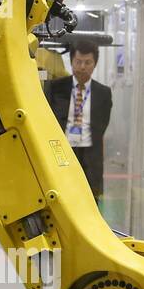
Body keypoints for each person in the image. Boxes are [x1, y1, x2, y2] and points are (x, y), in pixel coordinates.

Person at [45, 39, 112, 200]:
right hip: (61, 154)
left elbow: (102, 125)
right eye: (78, 62)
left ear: (95, 64)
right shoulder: (54, 88)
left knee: (90, 203)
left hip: (90, 156)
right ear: (71, 62)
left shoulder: (103, 93)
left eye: (87, 62)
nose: (82, 67)